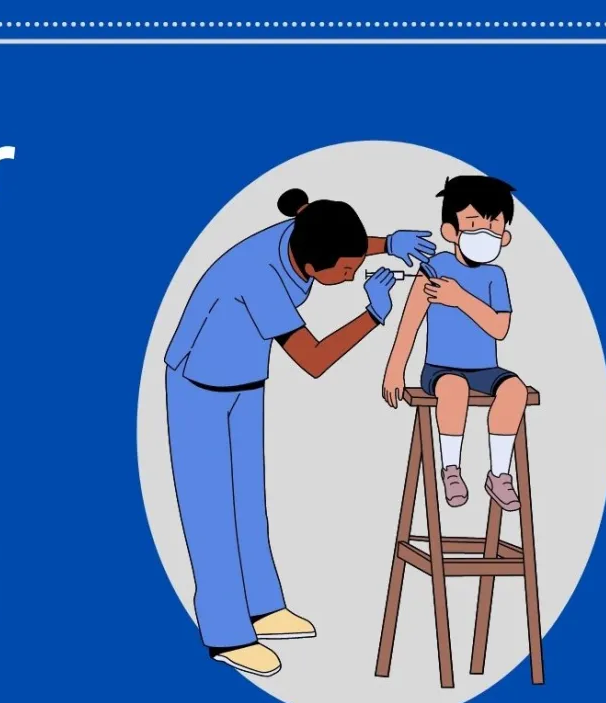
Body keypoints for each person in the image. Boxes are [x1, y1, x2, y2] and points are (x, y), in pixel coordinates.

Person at [164, 188, 435, 677]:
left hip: (244, 374)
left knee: (247, 497)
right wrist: (373, 315)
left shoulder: (307, 235)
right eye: (346, 273)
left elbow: (341, 243)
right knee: (211, 507)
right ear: (313, 267)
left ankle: (264, 606)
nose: (353, 276)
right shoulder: (261, 277)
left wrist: (387, 243)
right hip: (198, 380)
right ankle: (226, 632)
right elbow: (313, 360)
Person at [380, 176, 527, 512]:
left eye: (494, 226)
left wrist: (460, 298)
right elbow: (411, 321)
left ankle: (499, 475)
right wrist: (394, 370)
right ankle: (451, 469)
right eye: (474, 224)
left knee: (515, 390)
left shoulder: (495, 276)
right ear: (451, 231)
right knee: (454, 389)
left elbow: (500, 327)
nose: (485, 233)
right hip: (440, 369)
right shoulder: (435, 268)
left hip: (486, 369)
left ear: (505, 235)